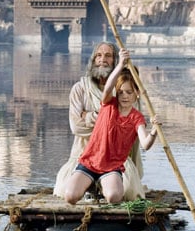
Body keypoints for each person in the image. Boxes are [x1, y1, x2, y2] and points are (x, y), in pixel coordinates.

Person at [64, 48, 159, 204]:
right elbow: (108, 88)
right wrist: (121, 64)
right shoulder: (109, 104)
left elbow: (146, 144)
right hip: (90, 161)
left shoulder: (136, 117)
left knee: (114, 197)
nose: (125, 96)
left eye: (129, 92)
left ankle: (103, 186)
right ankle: (90, 185)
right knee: (70, 196)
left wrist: (155, 131)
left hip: (112, 166)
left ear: (137, 93)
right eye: (121, 92)